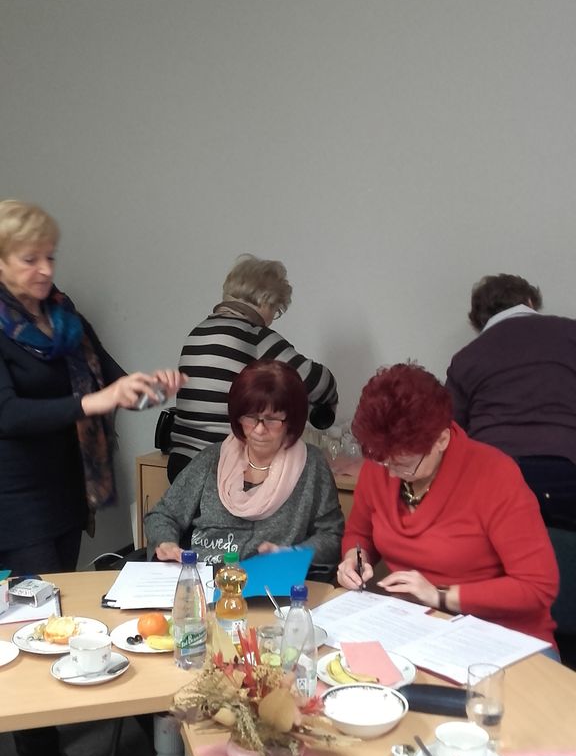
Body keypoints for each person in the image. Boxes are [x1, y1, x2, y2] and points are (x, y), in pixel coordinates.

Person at [0, 199, 184, 756]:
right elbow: (9, 414)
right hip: (14, 496)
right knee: (31, 625)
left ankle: (44, 750)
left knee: (57, 613)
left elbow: (110, 379)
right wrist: (94, 403)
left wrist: (149, 389)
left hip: (66, 488)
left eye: (50, 256)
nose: (45, 270)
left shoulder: (63, 314)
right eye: (29, 259)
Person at [337, 362, 558, 648]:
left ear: (441, 440)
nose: (391, 474)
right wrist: (355, 559)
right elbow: (360, 533)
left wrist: (439, 595)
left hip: (503, 635)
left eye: (404, 464)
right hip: (416, 626)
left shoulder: (495, 475)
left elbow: (537, 586)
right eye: (384, 461)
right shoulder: (382, 465)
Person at [146, 360, 344, 571]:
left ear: (292, 421)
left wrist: (292, 554)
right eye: (250, 418)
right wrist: (165, 542)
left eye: (272, 420)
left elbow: (332, 536)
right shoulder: (213, 458)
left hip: (268, 580)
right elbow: (163, 514)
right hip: (203, 578)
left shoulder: (311, 465)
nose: (259, 430)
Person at [168, 253, 338, 481]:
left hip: (181, 463)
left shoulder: (197, 332)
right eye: (276, 309)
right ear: (265, 300)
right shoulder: (253, 335)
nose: (272, 318)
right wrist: (326, 406)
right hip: (220, 466)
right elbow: (318, 382)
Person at [446, 273, 576, 529]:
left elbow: (449, 430)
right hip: (566, 468)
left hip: (492, 475)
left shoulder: (466, 358)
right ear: (530, 301)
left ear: (478, 319)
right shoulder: (571, 334)